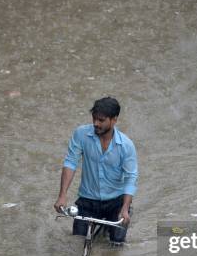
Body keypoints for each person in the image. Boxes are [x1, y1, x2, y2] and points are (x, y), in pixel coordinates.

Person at [54, 97, 138, 245]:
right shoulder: (81, 134)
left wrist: (124, 208)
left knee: (117, 243)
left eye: (101, 120)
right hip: (88, 201)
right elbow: (71, 162)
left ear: (114, 120)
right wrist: (62, 195)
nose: (95, 124)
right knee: (77, 242)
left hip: (115, 202)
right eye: (94, 119)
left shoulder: (126, 145)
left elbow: (131, 177)